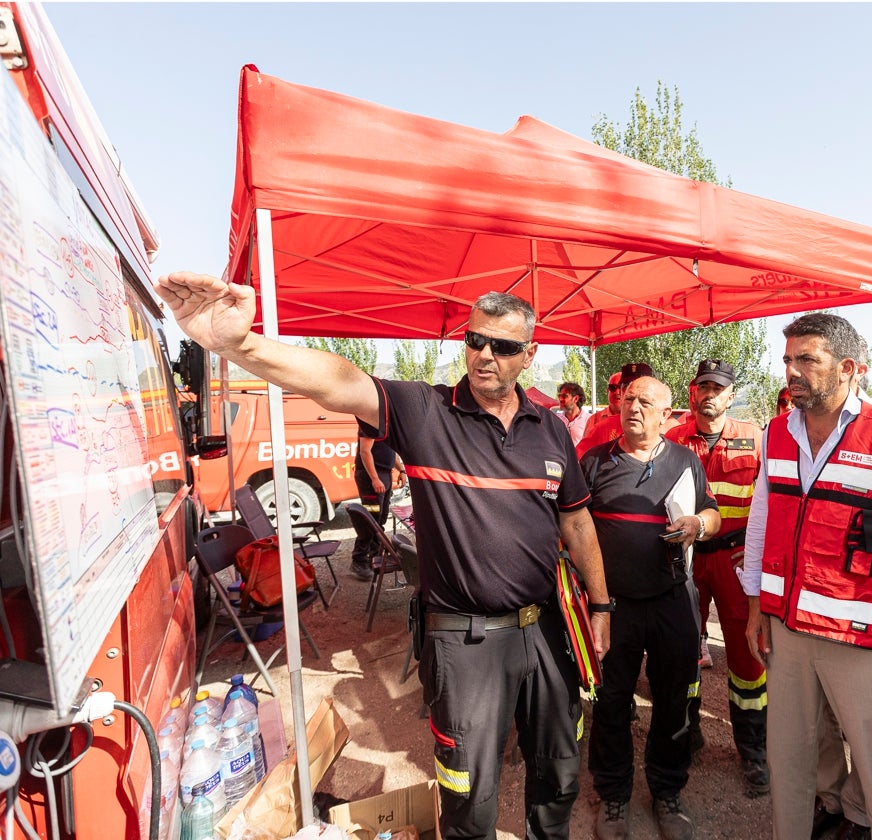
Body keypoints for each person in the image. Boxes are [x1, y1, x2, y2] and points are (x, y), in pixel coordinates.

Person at [153, 272, 612, 840]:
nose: (484, 355)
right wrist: (239, 344)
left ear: (530, 355)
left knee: (559, 771)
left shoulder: (552, 430)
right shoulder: (427, 410)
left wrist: (601, 605)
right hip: (464, 643)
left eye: (503, 346)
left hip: (546, 632)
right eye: (475, 340)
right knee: (469, 793)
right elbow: (339, 380)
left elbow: (576, 520)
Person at [743, 312, 872, 840]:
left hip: (866, 634)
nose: (792, 371)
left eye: (807, 359)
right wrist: (754, 608)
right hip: (788, 629)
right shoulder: (777, 432)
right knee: (790, 756)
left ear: (849, 368)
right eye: (788, 359)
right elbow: (762, 523)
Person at [581, 376, 720, 840]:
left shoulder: (685, 461)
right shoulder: (595, 462)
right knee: (612, 702)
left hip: (672, 601)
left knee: (673, 701)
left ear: (668, 414)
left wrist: (699, 522)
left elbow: (713, 513)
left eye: (646, 402)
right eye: (628, 399)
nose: (633, 407)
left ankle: (667, 791)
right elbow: (571, 526)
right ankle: (614, 794)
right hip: (612, 605)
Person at [666, 359, 768, 797]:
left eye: (718, 388)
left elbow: (769, 502)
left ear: (730, 395)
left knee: (747, 658)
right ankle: (688, 735)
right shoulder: (671, 438)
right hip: (685, 560)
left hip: (735, 559)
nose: (710, 394)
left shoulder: (755, 437)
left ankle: (753, 748)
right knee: (684, 649)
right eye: (703, 385)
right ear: (692, 392)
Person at [350, 435, 405, 580]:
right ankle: (359, 560)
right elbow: (365, 452)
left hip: (385, 474)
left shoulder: (385, 426)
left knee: (380, 519)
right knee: (370, 521)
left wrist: (402, 471)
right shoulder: (370, 422)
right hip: (371, 477)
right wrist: (374, 478)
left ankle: (374, 557)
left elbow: (390, 453)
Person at [576, 363, 655, 456]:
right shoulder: (603, 426)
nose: (632, 390)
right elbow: (578, 457)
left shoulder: (667, 426)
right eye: (625, 386)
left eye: (640, 386)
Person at [582, 371, 622, 438]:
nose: (617, 392)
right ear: (607, 391)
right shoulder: (593, 420)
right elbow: (586, 447)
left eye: (621, 387)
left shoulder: (635, 420)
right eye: (613, 388)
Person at [556, 381, 591, 446]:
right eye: (559, 396)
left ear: (576, 399)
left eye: (564, 396)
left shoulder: (589, 420)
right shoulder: (556, 419)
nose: (560, 399)